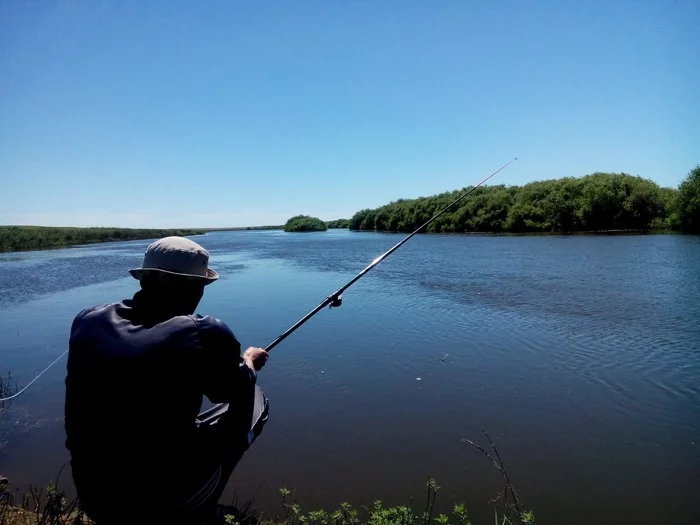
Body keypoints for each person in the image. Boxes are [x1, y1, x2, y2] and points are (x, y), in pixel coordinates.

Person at [64, 236, 270, 524]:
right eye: (201, 285)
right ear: (196, 287)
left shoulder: (87, 319)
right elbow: (228, 392)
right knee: (255, 399)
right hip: (157, 505)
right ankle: (197, 507)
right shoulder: (204, 330)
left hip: (94, 497)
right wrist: (250, 362)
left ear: (143, 279)